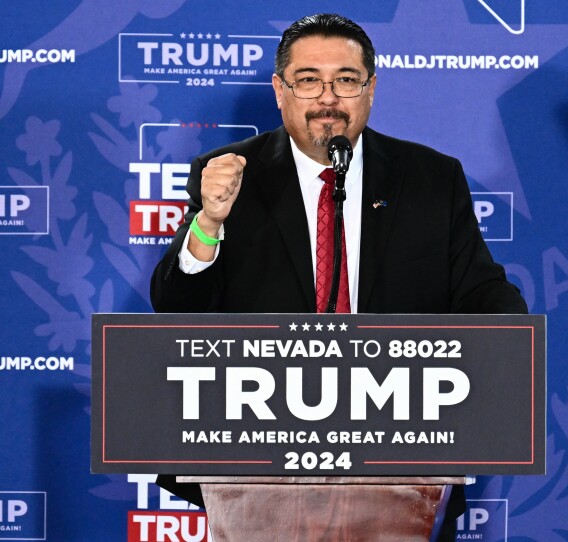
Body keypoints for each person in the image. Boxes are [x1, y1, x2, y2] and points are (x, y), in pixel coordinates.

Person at [150, 12, 527, 541]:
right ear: (280, 90)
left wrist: (512, 342)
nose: (328, 98)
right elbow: (178, 309)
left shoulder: (431, 177)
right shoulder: (228, 172)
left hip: (397, 440)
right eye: (308, 81)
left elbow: (479, 287)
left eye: (346, 80)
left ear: (371, 89)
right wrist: (209, 222)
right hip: (257, 448)